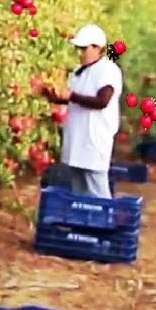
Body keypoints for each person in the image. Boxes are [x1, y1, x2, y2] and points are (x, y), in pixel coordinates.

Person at [40, 23, 122, 199]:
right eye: (79, 49)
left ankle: (103, 216)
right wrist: (51, 94)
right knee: (78, 190)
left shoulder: (107, 70)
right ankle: (85, 217)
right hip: (77, 138)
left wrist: (71, 96)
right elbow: (71, 98)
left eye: (84, 49)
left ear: (97, 48)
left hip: (94, 139)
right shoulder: (79, 71)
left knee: (96, 188)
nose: (80, 53)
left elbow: (102, 101)